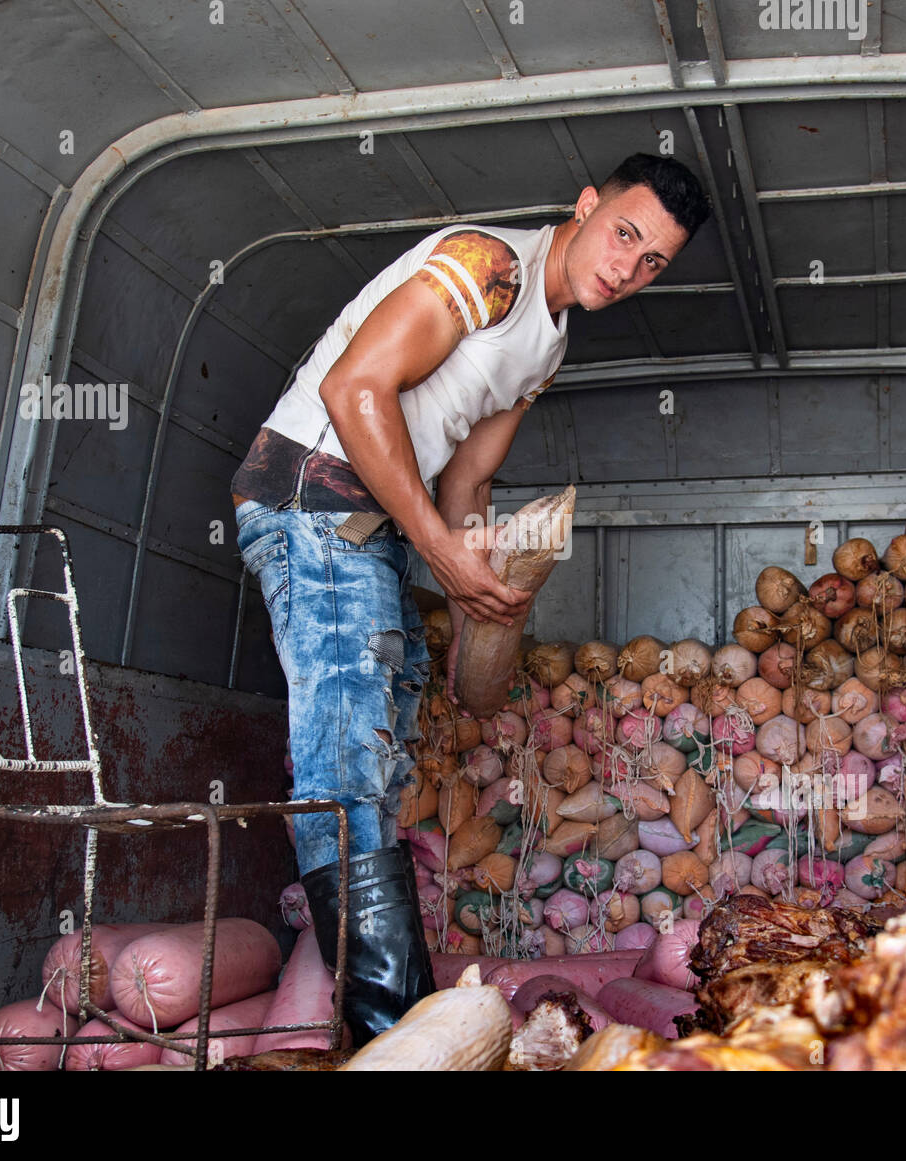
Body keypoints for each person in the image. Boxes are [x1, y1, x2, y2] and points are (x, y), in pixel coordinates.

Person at [231, 152, 710, 1044]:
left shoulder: (551, 339)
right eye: (624, 234)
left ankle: (406, 1024)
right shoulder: (488, 266)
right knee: (345, 763)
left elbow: (472, 480)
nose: (627, 267)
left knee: (383, 742)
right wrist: (443, 556)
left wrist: (473, 605)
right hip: (312, 502)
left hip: (374, 530)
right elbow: (354, 388)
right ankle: (392, 1035)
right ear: (586, 205)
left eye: (653, 262)